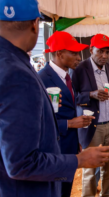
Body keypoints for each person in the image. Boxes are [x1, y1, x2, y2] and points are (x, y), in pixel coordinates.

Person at [0, 0, 109, 197]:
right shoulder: (17, 73)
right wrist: (79, 160)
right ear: (35, 24)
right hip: (21, 189)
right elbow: (21, 162)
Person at [38, 31, 96, 197]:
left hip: (69, 144)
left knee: (66, 189)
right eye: (74, 53)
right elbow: (39, 120)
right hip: (54, 148)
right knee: (57, 190)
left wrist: (76, 139)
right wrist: (70, 124)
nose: (79, 57)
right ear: (59, 54)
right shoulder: (42, 78)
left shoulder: (67, 76)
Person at [72, 34, 109, 197]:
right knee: (90, 171)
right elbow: (73, 97)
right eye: (100, 51)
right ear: (90, 50)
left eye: (107, 52)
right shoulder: (79, 70)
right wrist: (91, 95)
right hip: (91, 126)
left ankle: (106, 195)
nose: (104, 56)